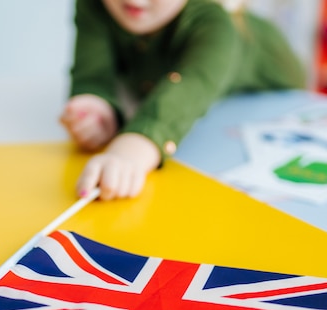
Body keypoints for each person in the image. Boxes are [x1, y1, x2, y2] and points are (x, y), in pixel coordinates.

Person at [59, 0, 306, 200]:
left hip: (280, 100)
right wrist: (95, 106)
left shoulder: (216, 21)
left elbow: (187, 92)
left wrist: (129, 152)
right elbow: (92, 74)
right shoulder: (96, 5)